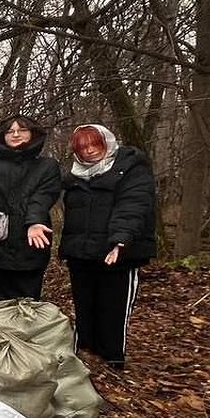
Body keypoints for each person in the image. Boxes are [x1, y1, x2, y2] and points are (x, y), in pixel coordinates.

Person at [59, 124, 156, 370]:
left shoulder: (131, 168)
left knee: (113, 308)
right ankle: (85, 355)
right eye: (83, 147)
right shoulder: (73, 176)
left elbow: (133, 205)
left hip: (118, 253)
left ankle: (113, 359)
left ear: (107, 143)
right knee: (84, 306)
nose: (90, 151)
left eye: (95, 145)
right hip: (81, 253)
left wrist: (120, 240)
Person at [0, 117, 62, 302]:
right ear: (2, 135)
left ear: (33, 133)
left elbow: (43, 197)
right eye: (10, 131)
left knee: (25, 306)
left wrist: (35, 221)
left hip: (29, 246)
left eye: (22, 130)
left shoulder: (47, 166)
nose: (16, 135)